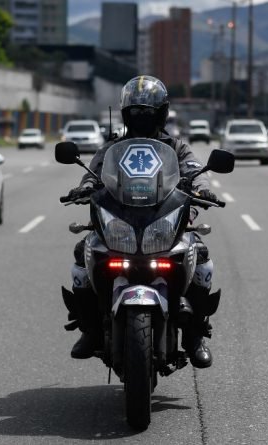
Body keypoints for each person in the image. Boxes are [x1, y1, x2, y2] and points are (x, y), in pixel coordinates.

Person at [63, 75, 219, 369]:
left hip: (165, 221)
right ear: (125, 113)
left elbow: (195, 170)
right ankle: (91, 330)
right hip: (119, 220)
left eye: (148, 112)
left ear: (161, 113)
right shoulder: (112, 147)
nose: (142, 118)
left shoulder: (176, 147)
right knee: (82, 256)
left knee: (200, 256)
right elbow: (92, 172)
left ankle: (196, 335)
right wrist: (84, 187)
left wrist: (201, 187)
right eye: (136, 112)